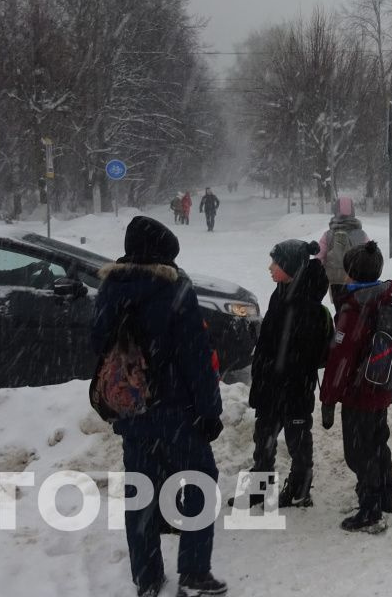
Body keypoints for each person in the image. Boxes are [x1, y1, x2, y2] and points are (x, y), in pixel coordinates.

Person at [91, 216, 227, 597]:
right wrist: (209, 409)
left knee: (141, 494)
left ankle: (147, 578)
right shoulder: (174, 289)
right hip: (177, 411)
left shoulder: (110, 287)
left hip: (132, 411)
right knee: (201, 481)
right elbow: (197, 356)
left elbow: (97, 342)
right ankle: (195, 572)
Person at [233, 240, 331, 509]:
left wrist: (286, 378)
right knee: (262, 441)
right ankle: (258, 491)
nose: (270, 267)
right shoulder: (281, 292)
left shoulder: (306, 304)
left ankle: (300, 491)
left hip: (294, 388)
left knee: (298, 441)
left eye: (275, 262)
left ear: (288, 266)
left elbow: (303, 354)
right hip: (270, 385)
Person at [319, 241, 392, 534]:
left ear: (350, 273)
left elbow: (339, 361)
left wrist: (328, 400)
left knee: (359, 453)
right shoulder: (387, 299)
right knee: (378, 443)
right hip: (381, 389)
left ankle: (369, 509)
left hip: (359, 394)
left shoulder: (354, 309)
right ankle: (385, 495)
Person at [317, 197, 371, 305]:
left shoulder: (328, 234)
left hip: (334, 279)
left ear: (335, 211)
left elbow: (319, 257)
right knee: (355, 307)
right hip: (355, 278)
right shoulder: (361, 234)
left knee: (339, 307)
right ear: (353, 211)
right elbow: (370, 256)